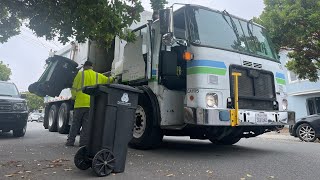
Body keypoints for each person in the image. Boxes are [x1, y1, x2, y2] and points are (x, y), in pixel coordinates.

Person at [65, 61, 113, 146]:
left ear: (84, 67)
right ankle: (83, 144)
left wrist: (74, 97)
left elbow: (74, 88)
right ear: (91, 67)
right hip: (90, 105)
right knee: (86, 126)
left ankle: (70, 141)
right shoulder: (97, 75)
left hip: (79, 104)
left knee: (75, 124)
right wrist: (115, 76)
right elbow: (108, 80)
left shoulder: (79, 75)